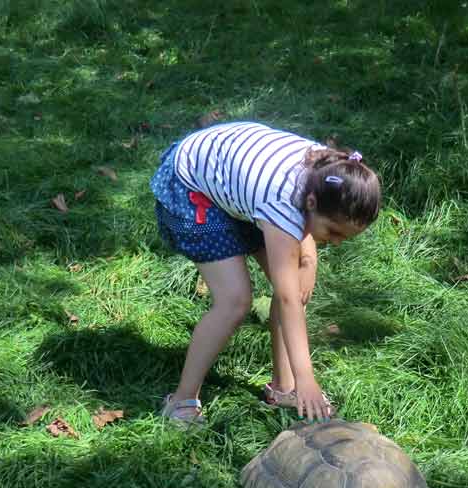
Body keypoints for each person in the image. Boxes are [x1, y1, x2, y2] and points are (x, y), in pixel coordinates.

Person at [149, 120, 381, 428]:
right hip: (192, 184)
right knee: (235, 300)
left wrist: (309, 262)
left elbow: (300, 245)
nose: (336, 242)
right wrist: (307, 380)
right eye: (334, 232)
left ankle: (283, 388)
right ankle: (182, 401)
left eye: (345, 238)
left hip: (237, 181)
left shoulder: (332, 176)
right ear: (311, 203)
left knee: (295, 284)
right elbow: (287, 298)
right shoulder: (286, 202)